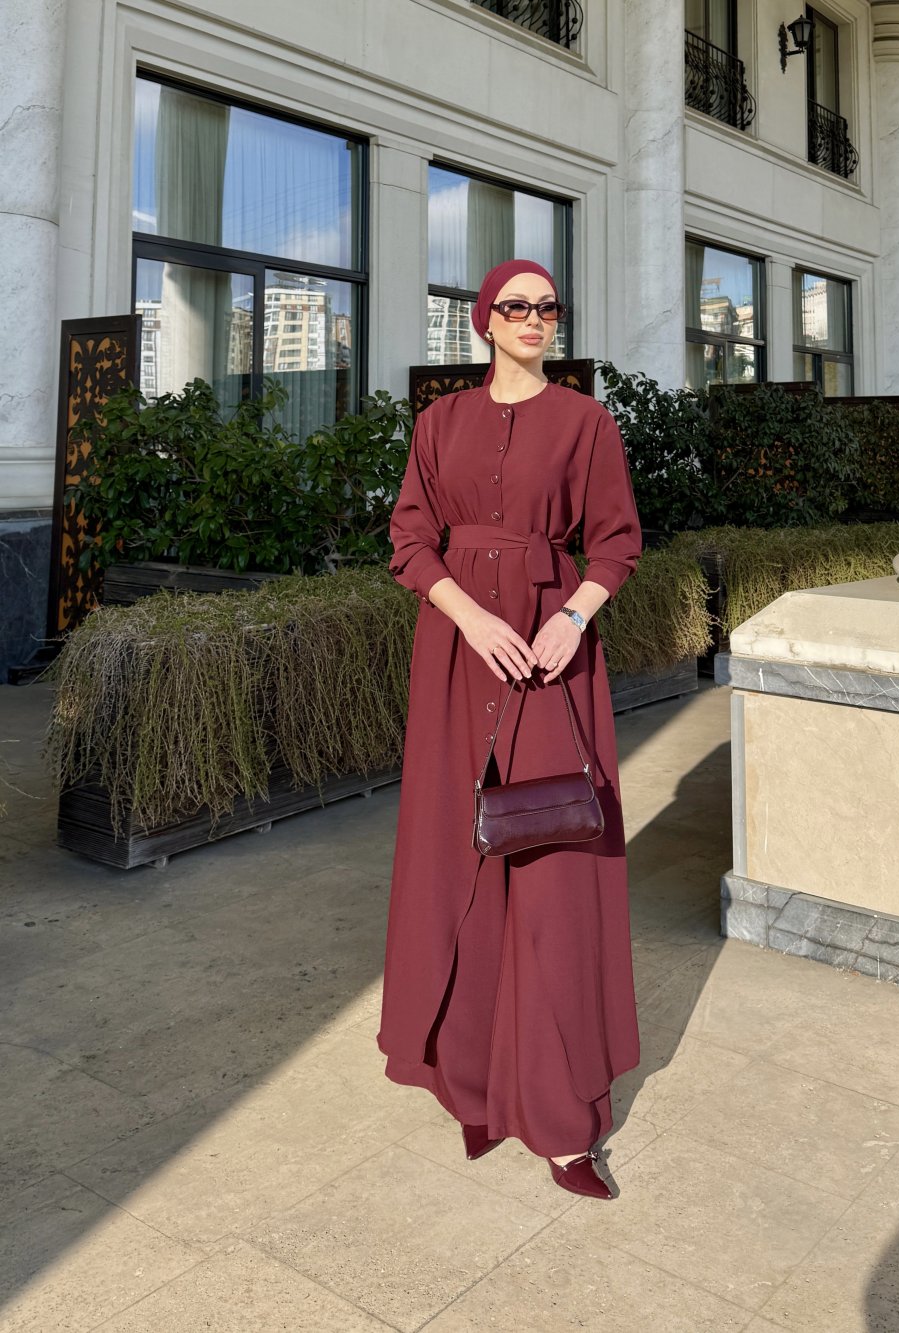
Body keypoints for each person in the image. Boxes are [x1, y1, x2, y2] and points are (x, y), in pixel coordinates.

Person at [377, 259, 641, 1200]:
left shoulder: (587, 422)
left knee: (553, 871)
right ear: (484, 320)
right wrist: (470, 618)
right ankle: (473, 1081)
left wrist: (570, 617)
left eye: (547, 307)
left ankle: (564, 1120)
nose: (534, 319)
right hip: (460, 657)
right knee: (459, 858)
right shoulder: (438, 423)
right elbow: (410, 541)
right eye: (516, 306)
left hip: (550, 655)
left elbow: (617, 542)